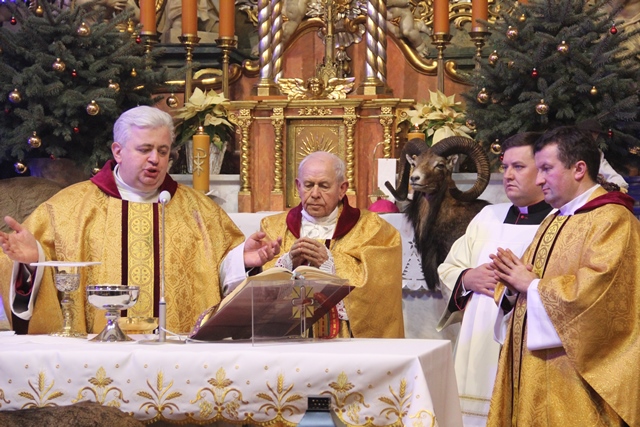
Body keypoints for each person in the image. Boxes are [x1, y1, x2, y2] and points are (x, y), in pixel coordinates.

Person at [0, 106, 281, 335]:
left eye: (163, 151)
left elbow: (219, 280)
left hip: (178, 358)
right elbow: (32, 273)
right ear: (118, 151)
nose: (155, 159)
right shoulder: (69, 207)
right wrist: (31, 261)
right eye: (144, 149)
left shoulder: (200, 210)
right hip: (97, 358)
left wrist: (240, 261)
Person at [488, 126, 640, 426]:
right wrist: (511, 286)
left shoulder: (613, 220)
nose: (539, 179)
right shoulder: (555, 219)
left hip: (575, 385)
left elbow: (599, 299)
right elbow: (524, 283)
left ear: (579, 169)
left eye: (546, 168)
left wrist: (532, 286)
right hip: (533, 376)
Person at [436, 132, 554, 426]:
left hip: (525, 341)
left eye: (518, 167)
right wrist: (468, 279)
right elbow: (449, 267)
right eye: (505, 166)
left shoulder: (559, 221)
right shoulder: (488, 216)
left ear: (543, 170)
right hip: (476, 341)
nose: (508, 175)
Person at [260, 151, 405, 338]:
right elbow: (258, 288)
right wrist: (287, 263)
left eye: (324, 186)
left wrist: (330, 262)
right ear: (298, 186)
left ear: (342, 189)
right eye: (308, 185)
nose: (315, 194)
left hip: (344, 340)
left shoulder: (373, 228)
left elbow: (381, 288)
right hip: (289, 337)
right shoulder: (273, 227)